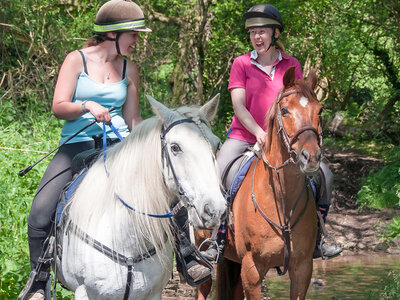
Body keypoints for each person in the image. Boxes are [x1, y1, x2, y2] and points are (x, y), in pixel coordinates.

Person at [19, 1, 147, 299]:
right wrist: (87, 104)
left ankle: (187, 257)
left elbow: (133, 118)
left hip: (118, 145)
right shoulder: (76, 60)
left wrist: (147, 141)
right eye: (134, 34)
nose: (137, 40)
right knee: (40, 210)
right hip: (76, 144)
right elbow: (58, 107)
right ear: (114, 33)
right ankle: (39, 282)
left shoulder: (131, 69)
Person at [202, 3, 342, 262]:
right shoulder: (241, 64)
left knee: (326, 176)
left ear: (275, 34)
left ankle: (319, 237)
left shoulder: (292, 65)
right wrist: (259, 132)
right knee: (219, 173)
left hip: (286, 142)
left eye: (263, 31)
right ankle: (217, 238)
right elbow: (239, 106)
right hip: (244, 137)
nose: (257, 36)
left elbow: (300, 105)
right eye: (253, 32)